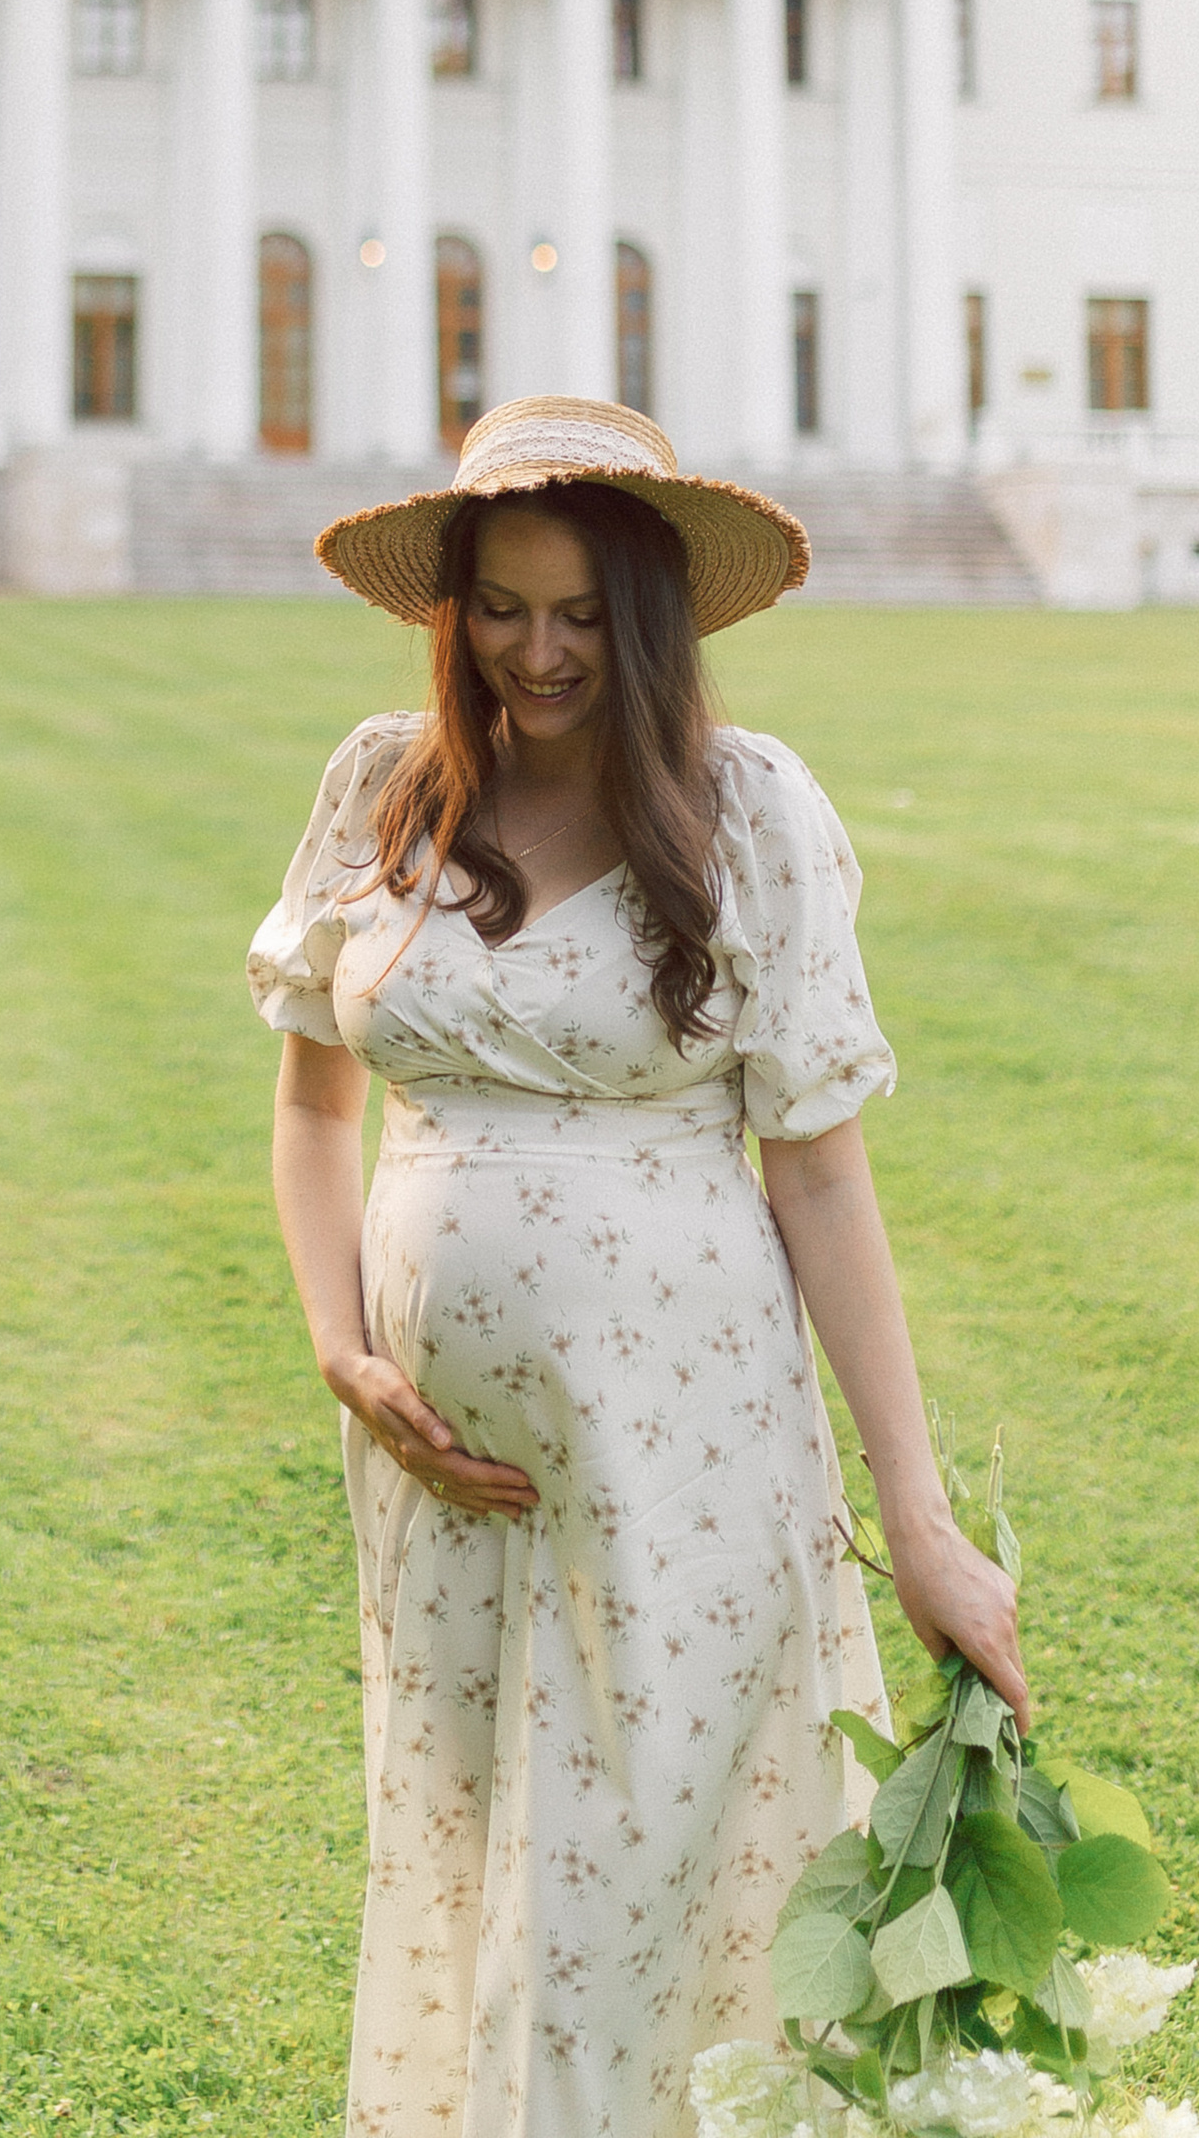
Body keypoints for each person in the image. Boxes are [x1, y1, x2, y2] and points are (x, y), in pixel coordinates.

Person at [251, 398, 1026, 2138]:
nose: (541, 652)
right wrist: (338, 1349)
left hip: (691, 1443)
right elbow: (311, 1109)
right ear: (452, 610)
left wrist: (915, 1517)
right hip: (442, 1477)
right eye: (505, 607)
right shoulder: (386, 791)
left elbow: (818, 1171)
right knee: (476, 1850)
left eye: (584, 612)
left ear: (651, 617)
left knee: (634, 1883)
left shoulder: (744, 810)